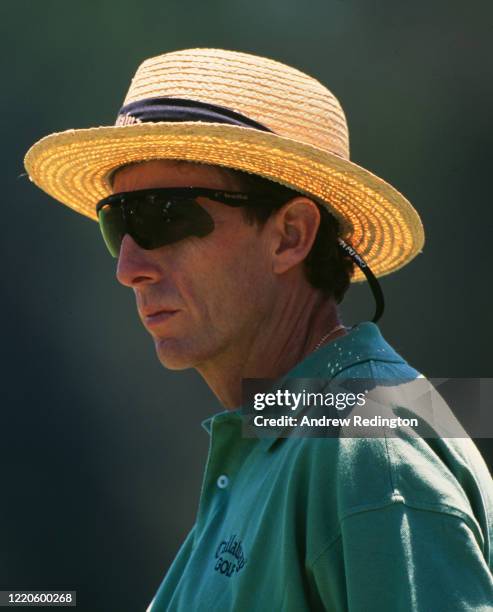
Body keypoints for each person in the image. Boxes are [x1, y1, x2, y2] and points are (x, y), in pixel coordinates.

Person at [25, 48, 493, 611]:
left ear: (291, 235)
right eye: (118, 220)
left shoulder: (369, 448)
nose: (129, 268)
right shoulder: (302, 432)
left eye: (164, 215)